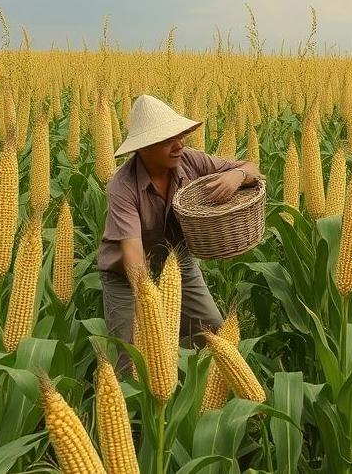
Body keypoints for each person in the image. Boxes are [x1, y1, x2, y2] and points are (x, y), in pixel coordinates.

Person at [97, 94, 262, 369]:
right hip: (126, 278)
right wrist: (148, 303)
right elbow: (132, 251)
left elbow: (252, 167)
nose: (179, 145)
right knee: (130, 361)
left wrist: (238, 176)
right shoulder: (122, 186)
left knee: (216, 337)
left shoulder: (191, 161)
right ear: (144, 148)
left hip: (179, 262)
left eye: (180, 136)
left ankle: (196, 393)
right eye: (167, 140)